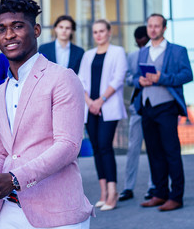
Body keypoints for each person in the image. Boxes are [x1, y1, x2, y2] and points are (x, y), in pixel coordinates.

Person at [0, 0, 94, 228]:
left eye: (17, 26)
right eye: (1, 29)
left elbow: (68, 146)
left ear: (36, 30)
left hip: (57, 213)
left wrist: (15, 179)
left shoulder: (62, 78)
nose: (8, 35)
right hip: (9, 211)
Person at [134, 13, 193, 211]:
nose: (152, 29)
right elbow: (134, 78)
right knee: (154, 152)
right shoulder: (143, 52)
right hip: (147, 107)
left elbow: (187, 75)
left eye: (156, 26)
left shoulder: (177, 51)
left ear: (164, 28)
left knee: (171, 153)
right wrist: (139, 81)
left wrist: (163, 77)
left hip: (167, 107)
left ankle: (176, 197)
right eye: (150, 25)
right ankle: (160, 193)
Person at [78, 19, 127, 211]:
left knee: (105, 146)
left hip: (108, 106)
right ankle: (103, 193)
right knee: (97, 148)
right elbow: (80, 80)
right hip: (90, 108)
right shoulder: (88, 55)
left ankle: (113, 192)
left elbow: (118, 78)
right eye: (95, 32)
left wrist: (100, 101)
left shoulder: (118, 52)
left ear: (109, 32)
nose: (98, 35)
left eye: (101, 31)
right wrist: (90, 102)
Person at [119, 26, 155, 201]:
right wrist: (138, 80)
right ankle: (128, 187)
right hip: (138, 106)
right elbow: (127, 79)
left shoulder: (157, 54)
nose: (142, 45)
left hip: (155, 105)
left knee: (153, 148)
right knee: (133, 148)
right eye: (139, 42)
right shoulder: (132, 56)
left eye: (145, 41)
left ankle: (153, 186)